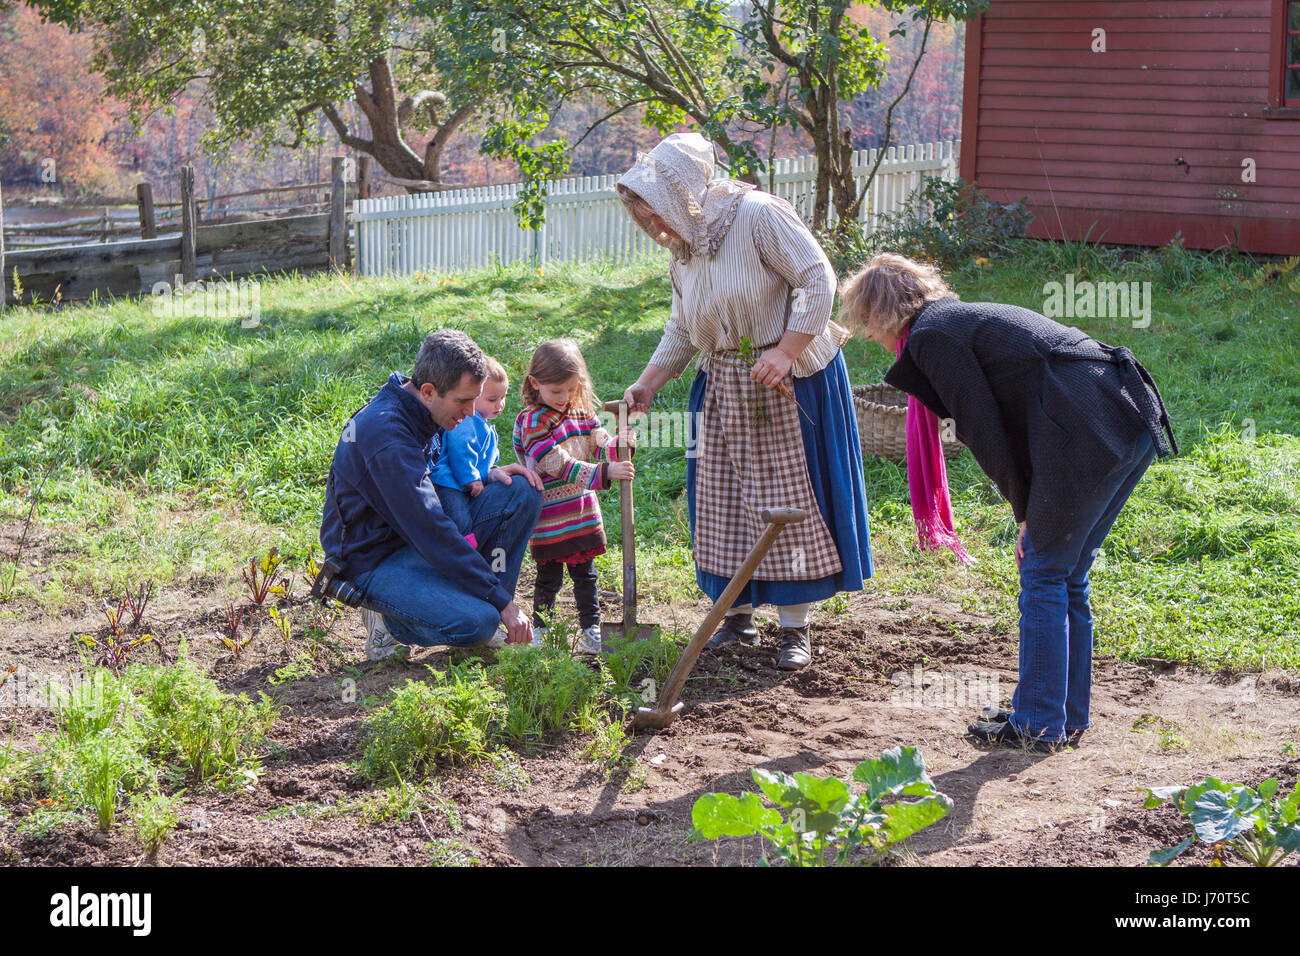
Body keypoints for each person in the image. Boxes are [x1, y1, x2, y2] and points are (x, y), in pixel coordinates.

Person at [840, 252, 1178, 751]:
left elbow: (983, 431)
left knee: (1043, 570)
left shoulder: (934, 336)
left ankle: (1038, 724)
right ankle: (1060, 714)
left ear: (883, 312)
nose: (868, 333)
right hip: (1126, 417)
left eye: (865, 320)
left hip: (1092, 427)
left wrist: (1026, 513)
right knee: (1066, 573)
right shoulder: (953, 322)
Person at [616, 132, 872, 670]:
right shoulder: (684, 249)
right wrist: (648, 384)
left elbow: (816, 277)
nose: (656, 228)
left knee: (784, 500)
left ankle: (794, 627)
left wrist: (786, 350)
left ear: (683, 193)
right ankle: (736, 617)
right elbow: (683, 326)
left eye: (657, 214)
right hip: (722, 386)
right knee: (723, 503)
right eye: (646, 219)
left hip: (784, 379)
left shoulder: (756, 215)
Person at [319, 330, 544, 662]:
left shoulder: (428, 409)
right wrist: (502, 604)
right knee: (479, 622)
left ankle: (490, 612)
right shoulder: (386, 438)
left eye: (475, 399)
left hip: (416, 541)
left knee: (521, 493)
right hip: (374, 560)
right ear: (428, 391)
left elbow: (444, 485)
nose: (471, 412)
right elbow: (433, 530)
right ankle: (390, 622)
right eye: (463, 401)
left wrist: (487, 472)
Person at [513, 339, 635, 656]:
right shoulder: (532, 421)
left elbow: (599, 442)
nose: (564, 398)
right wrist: (605, 473)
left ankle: (590, 631)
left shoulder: (579, 412)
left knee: (586, 576)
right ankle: (541, 630)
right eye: (556, 391)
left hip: (580, 511)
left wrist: (620, 444)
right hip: (550, 514)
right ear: (535, 383)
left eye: (571, 389)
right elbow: (557, 464)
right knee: (548, 578)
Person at [430, 355, 510, 547]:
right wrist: (471, 477)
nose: (499, 405)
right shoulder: (468, 421)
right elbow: (461, 449)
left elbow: (486, 457)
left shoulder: (483, 424)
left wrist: (490, 472)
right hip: (449, 483)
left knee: (469, 515)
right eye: (492, 399)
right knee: (460, 520)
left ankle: (470, 549)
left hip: (465, 484)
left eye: (503, 397)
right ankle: (463, 552)